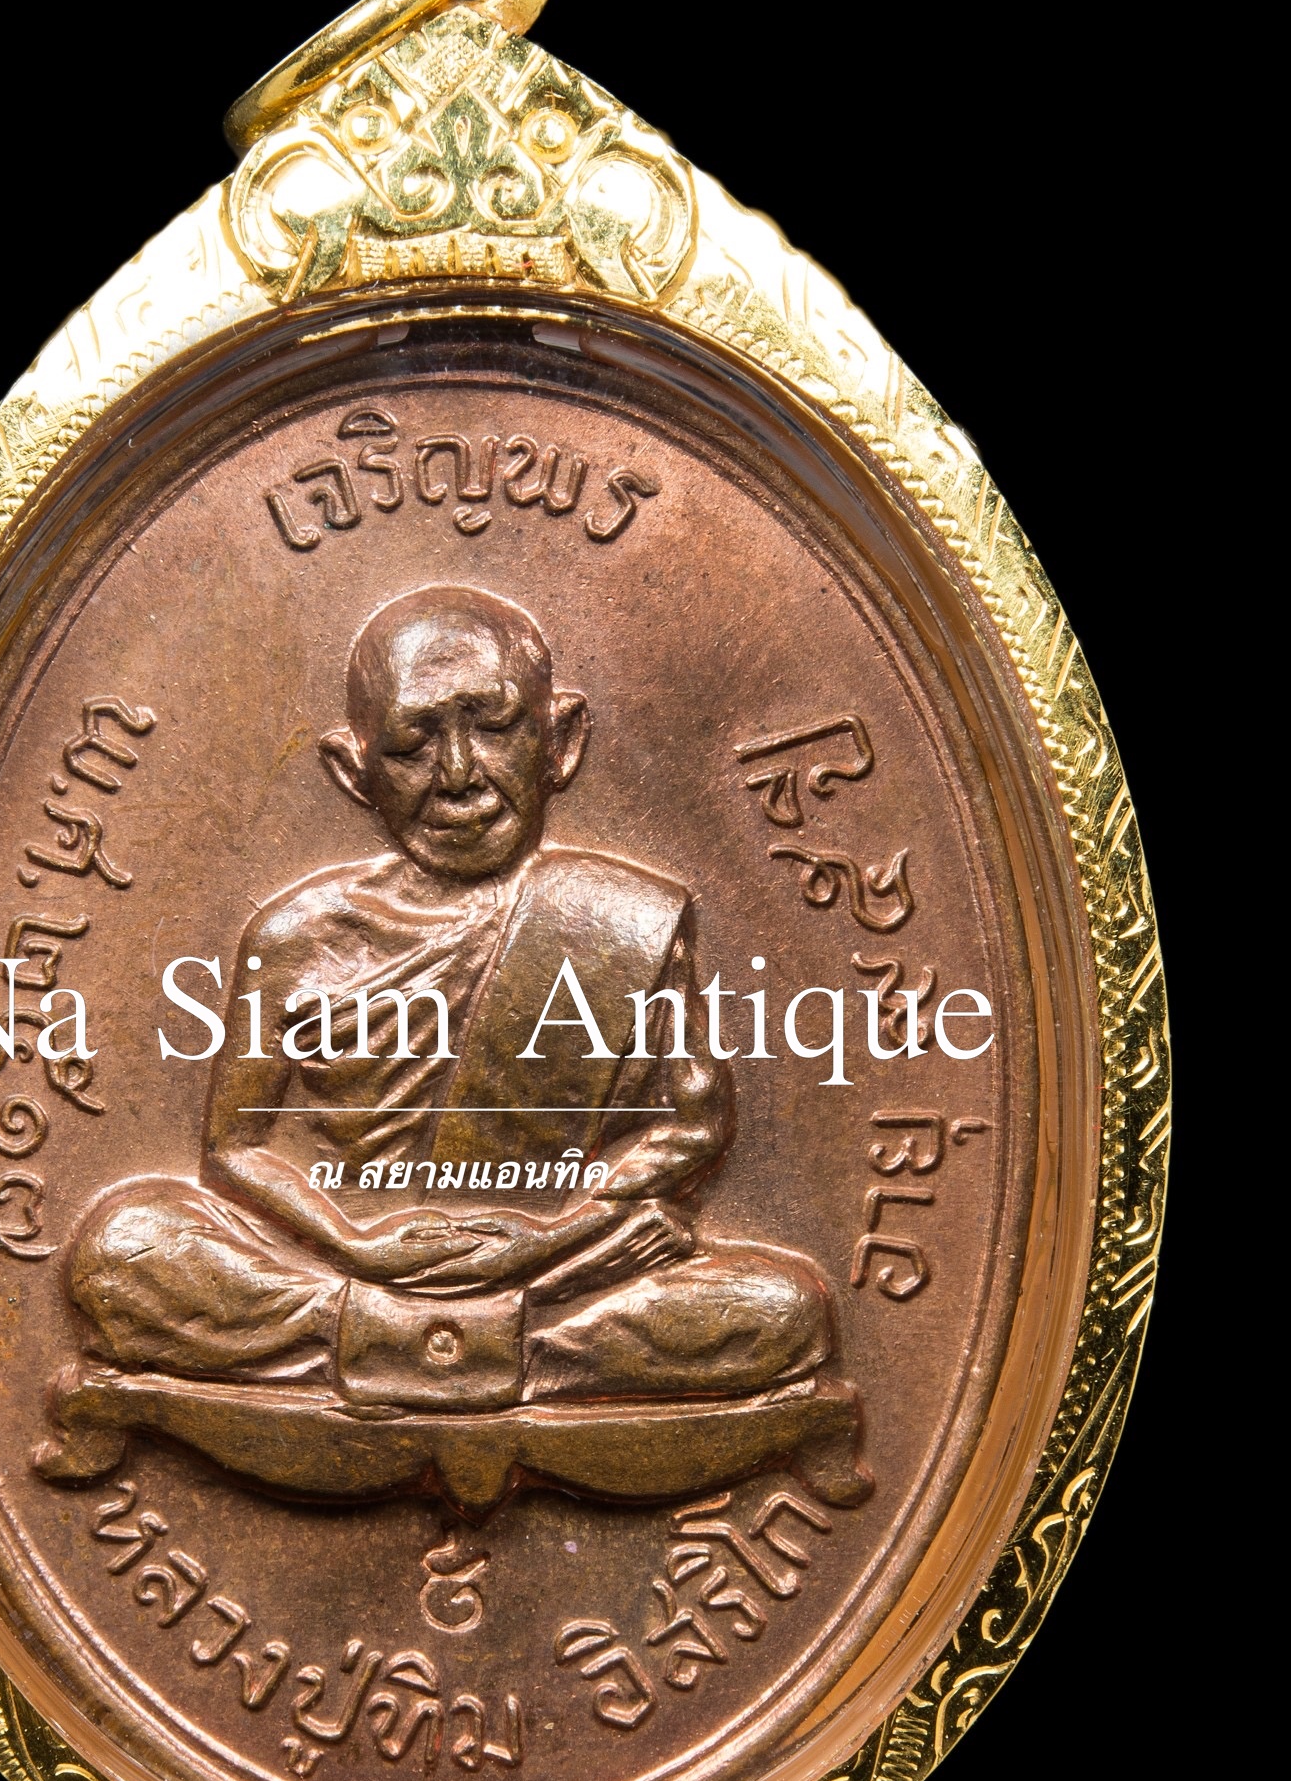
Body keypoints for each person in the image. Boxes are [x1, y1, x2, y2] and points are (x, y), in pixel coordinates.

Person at [68, 586, 837, 1411]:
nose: (460, 778)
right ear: (353, 771)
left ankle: (398, 1345)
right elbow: (234, 1149)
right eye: (411, 745)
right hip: (342, 1267)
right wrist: (354, 1243)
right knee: (126, 1247)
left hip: (556, 1268)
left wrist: (550, 1238)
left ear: (560, 741)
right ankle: (495, 1351)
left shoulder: (621, 919)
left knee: (783, 1306)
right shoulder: (296, 934)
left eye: (496, 727)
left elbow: (694, 1128)